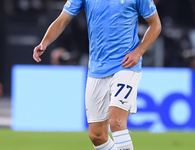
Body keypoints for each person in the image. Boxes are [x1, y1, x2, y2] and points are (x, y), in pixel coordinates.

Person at [33, 0, 161, 149]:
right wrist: (44, 43)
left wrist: (138, 52)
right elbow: (62, 20)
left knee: (116, 122)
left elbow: (155, 24)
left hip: (125, 66)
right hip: (97, 68)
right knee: (97, 136)